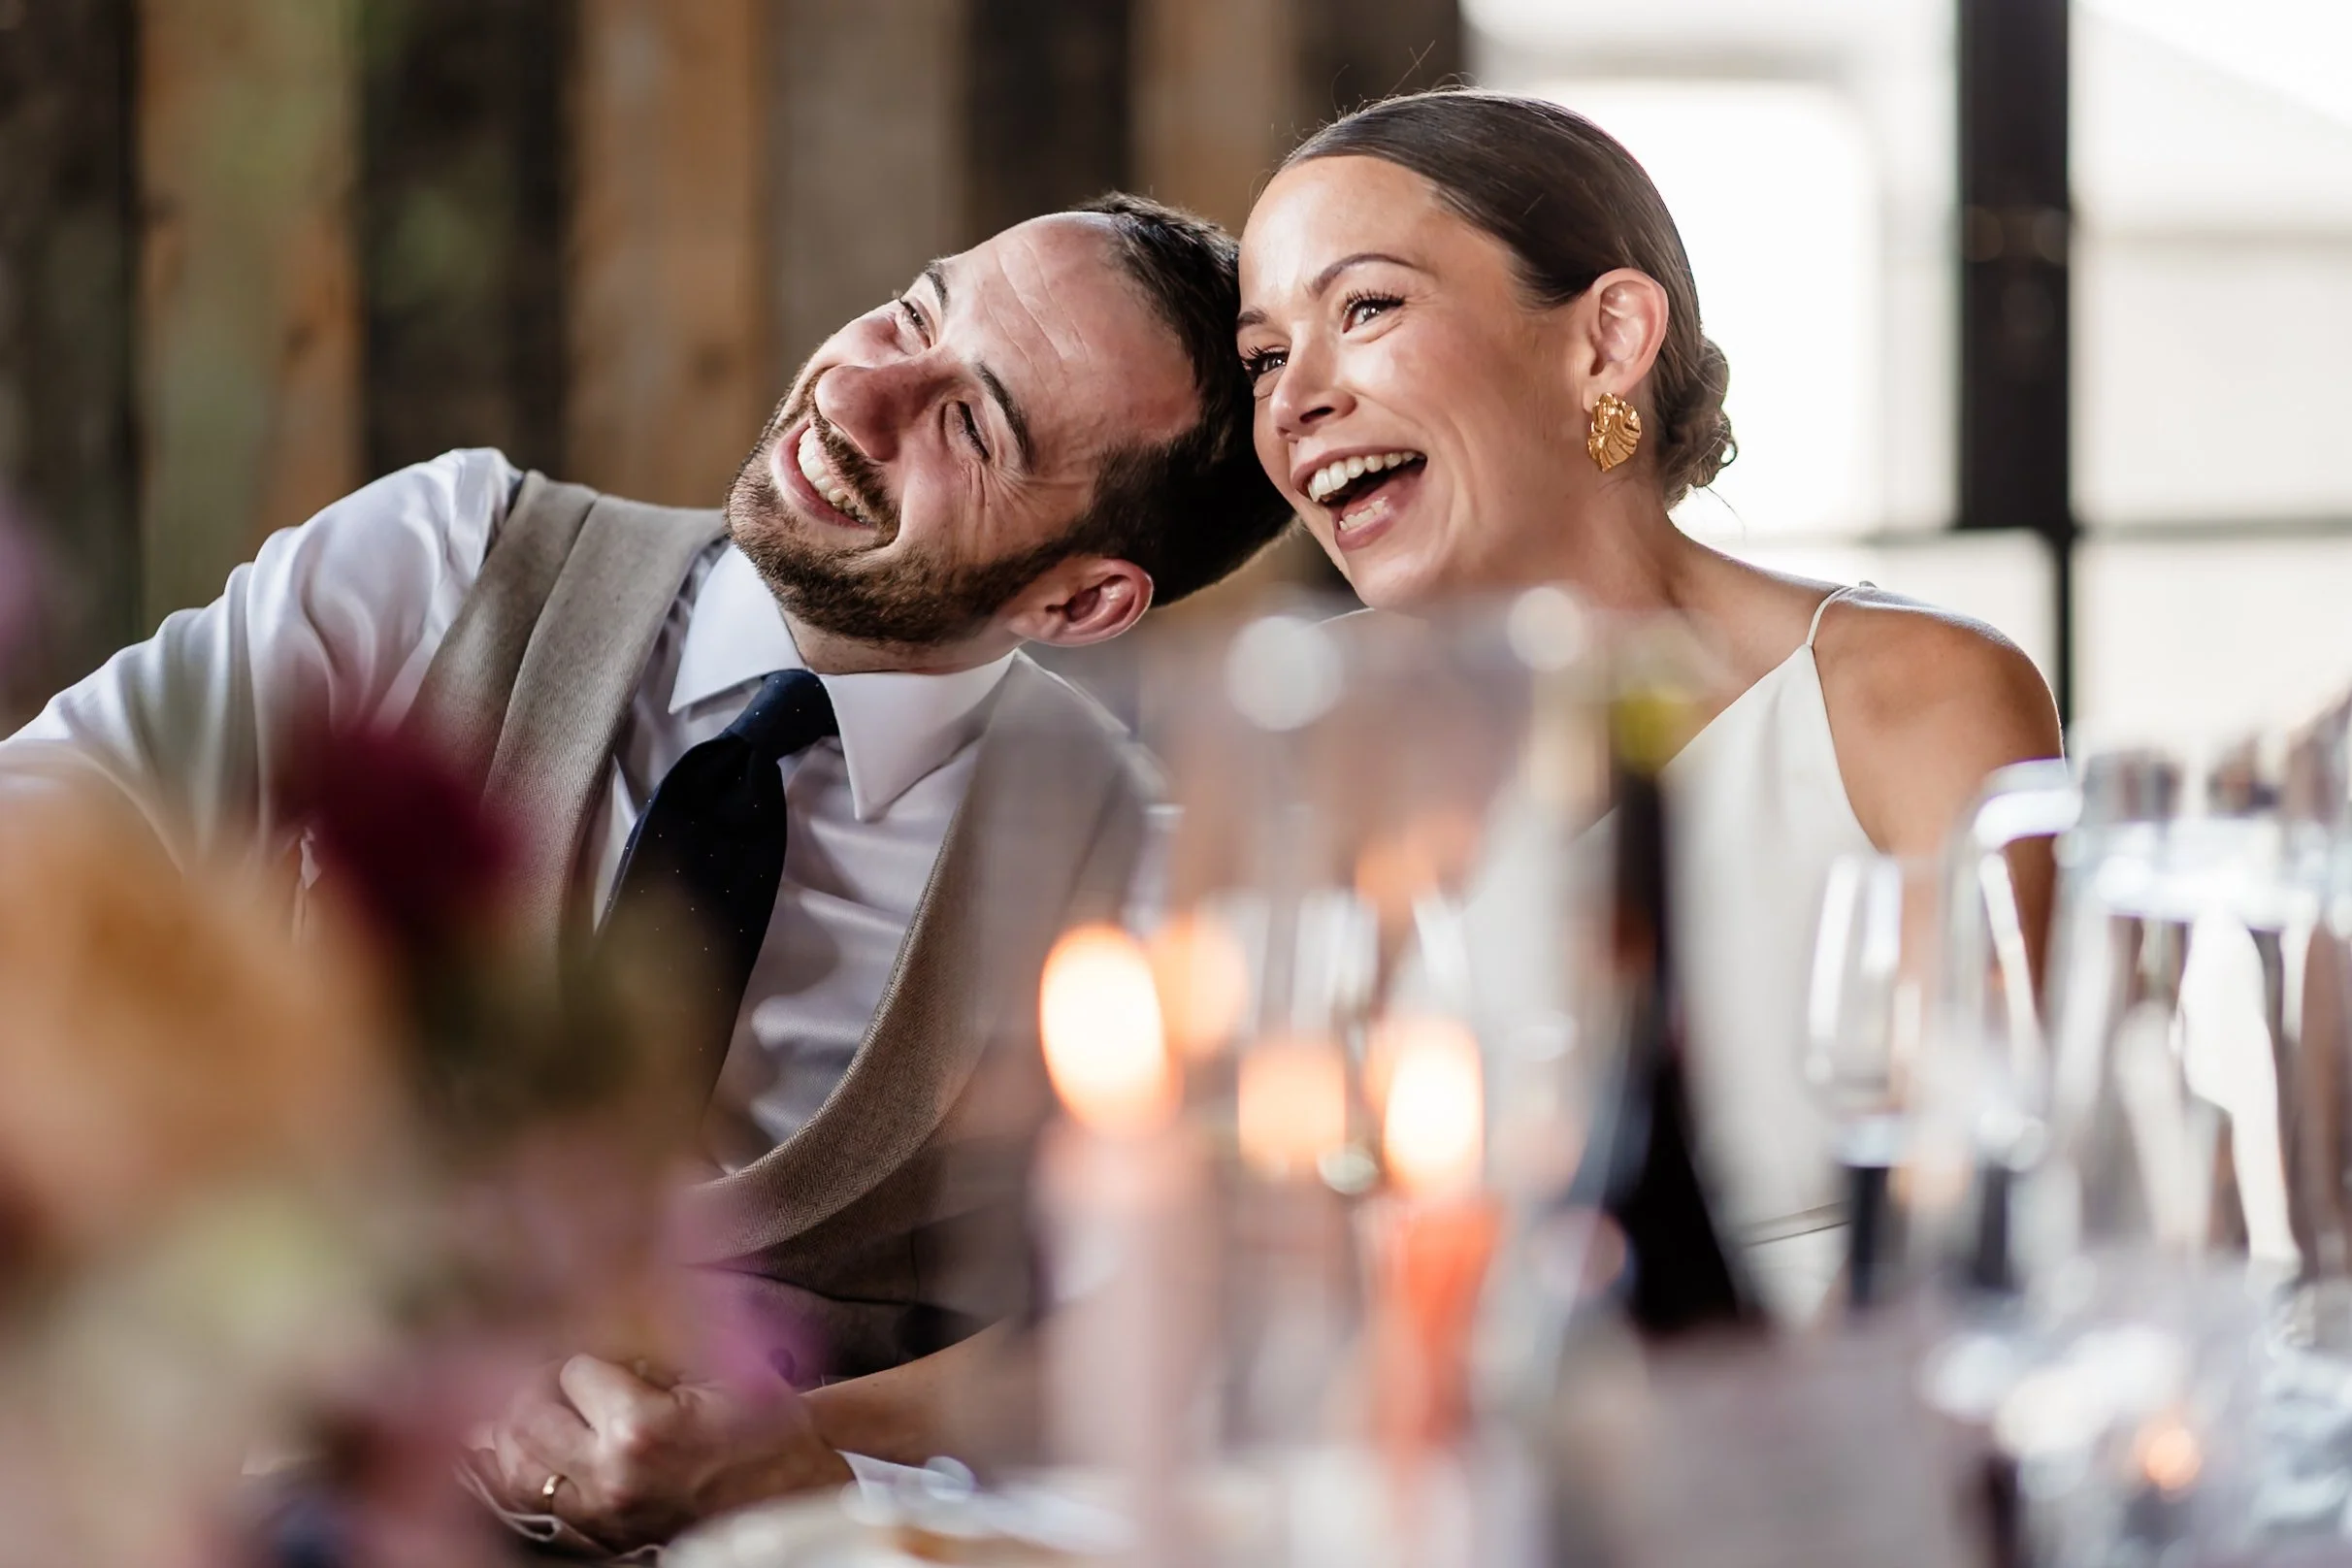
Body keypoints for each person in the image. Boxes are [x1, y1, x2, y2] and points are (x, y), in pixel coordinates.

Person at [3, 193, 1290, 1550]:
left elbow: (1169, 1348)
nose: (857, 394)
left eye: (971, 425)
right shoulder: (448, 557)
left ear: (1078, 601)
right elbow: (46, 838)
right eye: (916, 313)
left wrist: (822, 1462)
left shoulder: (1135, 869)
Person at [1234, 89, 2064, 1320]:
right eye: (1262, 356)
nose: (1293, 399)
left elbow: (1996, 1225)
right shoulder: (1299, 739)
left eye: (1366, 308)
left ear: (1607, 339)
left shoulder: (1916, 701)